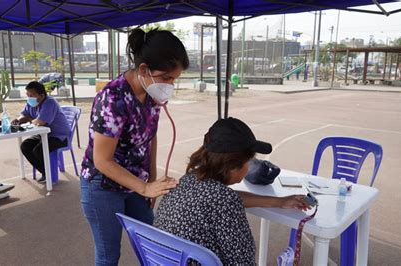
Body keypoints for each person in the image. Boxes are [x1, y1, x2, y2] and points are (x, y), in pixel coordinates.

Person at [80, 28, 189, 265]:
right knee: (109, 255)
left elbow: (150, 135)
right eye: (167, 78)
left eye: (174, 80)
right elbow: (102, 160)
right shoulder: (112, 98)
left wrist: (150, 178)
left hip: (135, 180)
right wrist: (143, 187)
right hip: (103, 184)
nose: (170, 85)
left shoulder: (152, 94)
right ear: (143, 70)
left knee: (155, 242)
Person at [154, 117, 310, 265]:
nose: (249, 168)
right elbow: (243, 262)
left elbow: (227, 199)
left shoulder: (188, 180)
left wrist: (279, 202)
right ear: (232, 165)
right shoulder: (224, 201)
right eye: (249, 162)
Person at [12, 81, 70, 183]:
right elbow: (24, 114)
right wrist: (18, 120)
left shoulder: (49, 102)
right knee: (25, 146)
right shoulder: (31, 102)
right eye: (27, 95)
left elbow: (40, 122)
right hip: (43, 134)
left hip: (59, 137)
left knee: (38, 150)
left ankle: (50, 174)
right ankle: (46, 172)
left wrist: (29, 120)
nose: (29, 97)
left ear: (41, 95)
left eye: (31, 95)